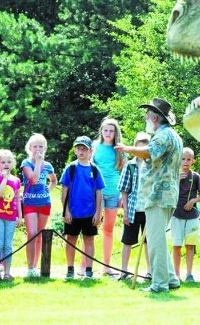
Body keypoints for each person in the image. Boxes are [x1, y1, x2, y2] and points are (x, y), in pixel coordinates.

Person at [115, 97, 183, 293]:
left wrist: (128, 148)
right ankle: (170, 279)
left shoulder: (163, 136)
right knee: (158, 238)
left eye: (147, 114)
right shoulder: (172, 135)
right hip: (164, 195)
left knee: (155, 241)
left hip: (158, 195)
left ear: (154, 117)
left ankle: (159, 284)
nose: (145, 117)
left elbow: (149, 153)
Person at [60, 136, 104, 280]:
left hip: (90, 213)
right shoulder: (71, 168)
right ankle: (70, 269)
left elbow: (99, 192)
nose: (81, 152)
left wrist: (98, 213)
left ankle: (89, 270)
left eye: (84, 149)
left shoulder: (95, 169)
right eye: (79, 148)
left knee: (89, 240)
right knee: (71, 239)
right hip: (72, 213)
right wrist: (66, 211)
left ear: (90, 151)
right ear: (75, 150)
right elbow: (64, 191)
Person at [92, 117, 127, 276]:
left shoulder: (119, 150)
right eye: (105, 130)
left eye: (111, 131)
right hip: (96, 193)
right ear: (101, 131)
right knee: (91, 229)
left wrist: (122, 194)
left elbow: (125, 172)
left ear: (115, 133)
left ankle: (106, 266)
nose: (108, 133)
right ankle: (86, 265)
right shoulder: (94, 147)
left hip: (114, 193)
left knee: (108, 230)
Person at [21, 133, 57, 278]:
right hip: (30, 202)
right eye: (35, 146)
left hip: (44, 203)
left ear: (45, 148)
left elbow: (54, 180)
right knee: (32, 233)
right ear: (29, 148)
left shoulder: (48, 165)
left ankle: (36, 266)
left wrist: (49, 188)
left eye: (41, 146)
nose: (38, 149)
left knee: (40, 235)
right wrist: (37, 162)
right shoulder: (26, 163)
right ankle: (30, 267)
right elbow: (34, 180)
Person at [117, 132, 151, 281]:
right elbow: (124, 189)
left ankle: (150, 271)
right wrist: (125, 212)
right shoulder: (130, 166)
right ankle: (123, 270)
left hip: (149, 209)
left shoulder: (153, 164)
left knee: (148, 241)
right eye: (139, 147)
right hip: (132, 209)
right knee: (128, 240)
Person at [171, 147, 200, 282]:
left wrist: (193, 201)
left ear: (193, 161)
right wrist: (177, 180)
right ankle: (176, 274)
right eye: (183, 159)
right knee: (176, 245)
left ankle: (189, 274)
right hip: (176, 214)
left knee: (190, 245)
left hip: (192, 216)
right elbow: (168, 192)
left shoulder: (195, 176)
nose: (185, 162)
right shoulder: (173, 174)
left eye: (188, 159)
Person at [0, 149, 22, 281]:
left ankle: (7, 272)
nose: (6, 164)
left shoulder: (16, 180)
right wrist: (4, 178)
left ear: (13, 164)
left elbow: (17, 198)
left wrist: (19, 216)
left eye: (9, 162)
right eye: (3, 162)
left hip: (11, 216)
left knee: (8, 245)